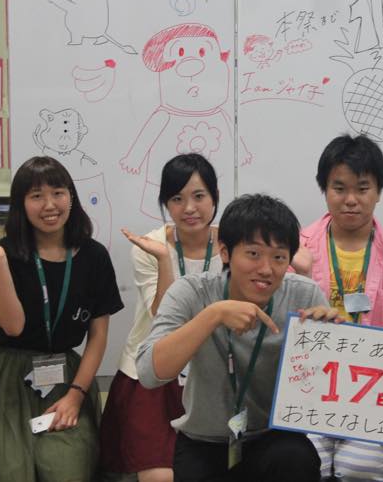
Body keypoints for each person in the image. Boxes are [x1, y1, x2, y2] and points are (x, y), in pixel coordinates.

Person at [0, 156, 124, 482]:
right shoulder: (3, 252)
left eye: (58, 193)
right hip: (3, 375)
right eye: (36, 196)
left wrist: (75, 396)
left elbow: (99, 335)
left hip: (65, 379)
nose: (49, 205)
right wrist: (0, 263)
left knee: (66, 470)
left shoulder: (94, 256)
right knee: (4, 470)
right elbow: (12, 326)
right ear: (21, 204)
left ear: (71, 197)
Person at [136, 193, 334, 482]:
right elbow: (149, 373)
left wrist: (331, 339)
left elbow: (327, 385)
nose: (266, 269)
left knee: (296, 457)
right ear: (225, 252)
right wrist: (213, 315)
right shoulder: (191, 292)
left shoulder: (304, 295)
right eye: (253, 254)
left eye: (279, 257)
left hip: (272, 437)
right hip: (204, 440)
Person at [292, 133, 383, 481]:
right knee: (306, 462)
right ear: (324, 190)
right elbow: (280, 323)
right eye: (339, 188)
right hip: (308, 389)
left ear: (378, 192)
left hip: (373, 394)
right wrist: (301, 281)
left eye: (362, 189)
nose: (351, 200)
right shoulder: (295, 250)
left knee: (360, 466)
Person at [99, 154, 223, 482]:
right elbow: (161, 318)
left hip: (210, 374)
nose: (189, 208)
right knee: (159, 476)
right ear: (166, 203)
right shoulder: (149, 246)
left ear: (215, 197)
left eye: (199, 196)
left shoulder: (233, 244)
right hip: (152, 372)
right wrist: (165, 260)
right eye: (177, 199)